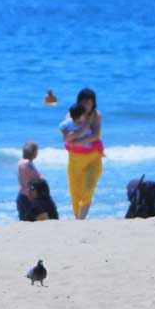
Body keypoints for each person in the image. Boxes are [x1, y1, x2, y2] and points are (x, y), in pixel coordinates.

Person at [61, 91, 104, 219]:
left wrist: (78, 141)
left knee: (89, 188)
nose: (86, 105)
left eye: (89, 102)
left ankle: (80, 220)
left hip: (93, 159)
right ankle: (78, 219)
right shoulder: (71, 115)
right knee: (75, 193)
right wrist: (82, 132)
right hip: (75, 161)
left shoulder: (96, 115)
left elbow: (96, 135)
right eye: (83, 102)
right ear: (79, 102)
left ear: (93, 103)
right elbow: (65, 138)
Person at [16, 142, 49, 221]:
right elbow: (38, 177)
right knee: (43, 217)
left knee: (25, 219)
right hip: (29, 196)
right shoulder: (28, 164)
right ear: (33, 153)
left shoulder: (20, 162)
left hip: (21, 195)